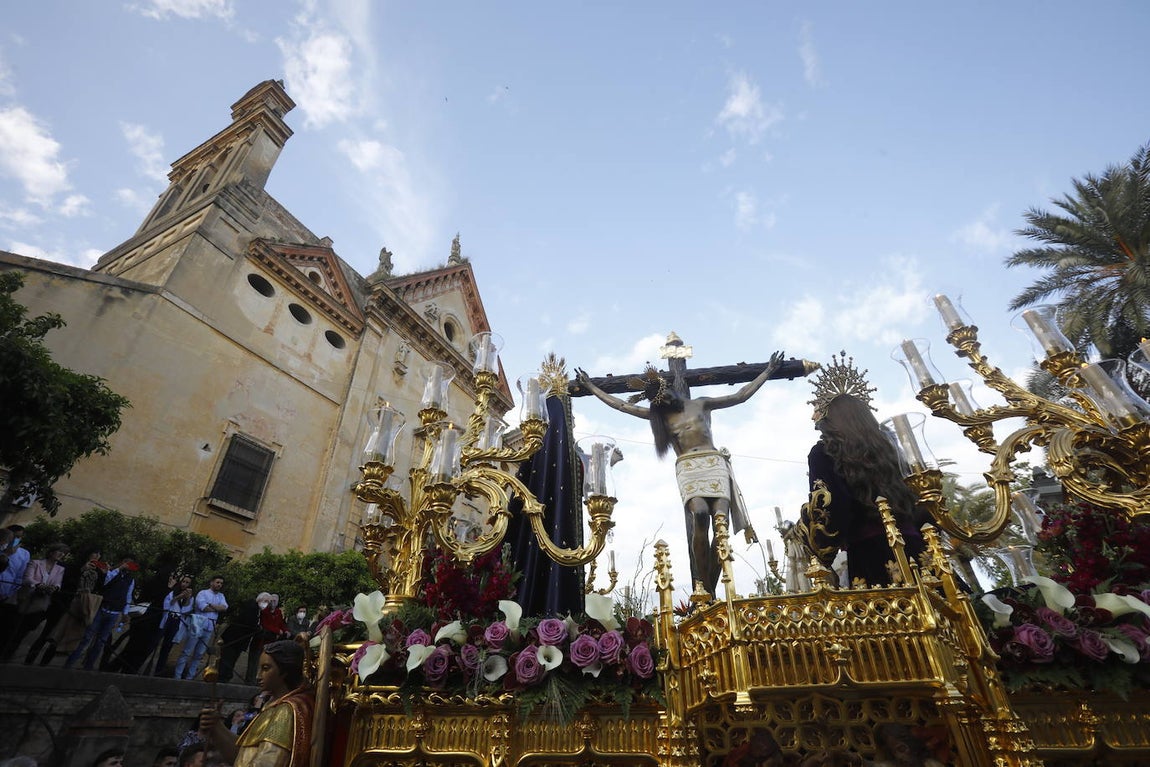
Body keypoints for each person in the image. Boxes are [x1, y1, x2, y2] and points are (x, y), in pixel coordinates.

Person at [576, 346, 785, 595]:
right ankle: (703, 587)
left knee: (721, 524)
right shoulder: (661, 418)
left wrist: (768, 371)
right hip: (688, 467)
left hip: (713, 463)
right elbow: (621, 405)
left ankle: (710, 590)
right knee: (700, 514)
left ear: (669, 387)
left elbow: (740, 396)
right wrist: (592, 387)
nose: (666, 401)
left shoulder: (701, 404)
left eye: (665, 395)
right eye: (660, 401)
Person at [804, 353, 929, 587]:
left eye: (816, 410)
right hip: (921, 550)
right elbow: (922, 499)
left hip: (871, 555)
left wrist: (818, 549)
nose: (813, 417)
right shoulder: (888, 445)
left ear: (829, 414)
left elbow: (832, 510)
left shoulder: (823, 452)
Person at [199, 640, 314, 767]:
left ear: (285, 671)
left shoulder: (285, 712)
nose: (258, 676)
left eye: (266, 668)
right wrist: (216, 726)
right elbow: (242, 755)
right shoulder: (273, 705)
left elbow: (268, 763)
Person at [65, 554, 138, 670]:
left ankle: (88, 666)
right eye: (126, 562)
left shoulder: (130, 580)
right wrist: (118, 569)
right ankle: (70, 663)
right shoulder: (112, 572)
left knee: (100, 641)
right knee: (87, 637)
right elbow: (106, 581)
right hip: (102, 608)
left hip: (114, 612)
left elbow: (128, 596)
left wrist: (125, 612)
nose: (127, 565)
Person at [3, 542, 68, 660]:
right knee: (14, 630)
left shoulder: (60, 569)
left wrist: (54, 588)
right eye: (59, 551)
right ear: (51, 552)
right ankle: (5, 653)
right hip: (25, 600)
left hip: (40, 604)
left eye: (63, 553)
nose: (61, 554)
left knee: (25, 630)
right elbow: (27, 579)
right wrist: (38, 585)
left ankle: (9, 655)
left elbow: (57, 583)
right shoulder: (36, 563)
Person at [174, 575, 227, 680]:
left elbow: (224, 607)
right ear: (211, 582)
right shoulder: (203, 593)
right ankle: (177, 676)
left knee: (199, 654)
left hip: (209, 628)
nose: (219, 585)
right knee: (187, 652)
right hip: (197, 626)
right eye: (217, 582)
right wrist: (216, 608)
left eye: (221, 583)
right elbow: (203, 608)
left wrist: (211, 605)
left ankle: (190, 677)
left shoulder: (221, 596)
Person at [155, 575, 195, 677]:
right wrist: (178, 597)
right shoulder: (173, 592)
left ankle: (158, 671)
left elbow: (185, 611)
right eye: (183, 582)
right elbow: (167, 605)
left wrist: (187, 599)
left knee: (167, 647)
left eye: (187, 583)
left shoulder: (190, 598)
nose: (184, 584)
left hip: (177, 621)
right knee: (155, 642)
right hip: (168, 618)